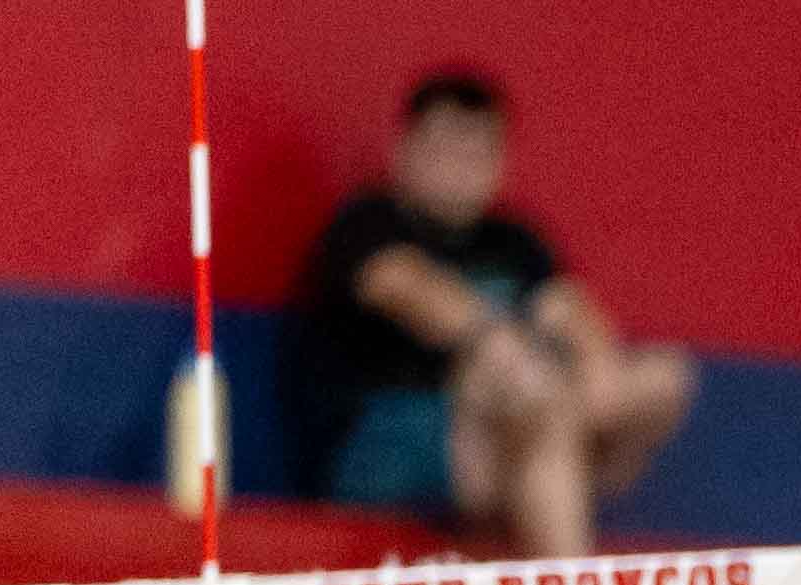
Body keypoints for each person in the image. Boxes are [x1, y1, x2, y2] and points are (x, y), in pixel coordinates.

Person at [278, 71, 693, 556]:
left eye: (475, 154)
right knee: (525, 388)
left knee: (662, 378)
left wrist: (596, 369)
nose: (459, 169)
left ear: (500, 162)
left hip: (515, 432)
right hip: (387, 446)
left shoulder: (515, 242)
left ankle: (556, 496)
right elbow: (406, 288)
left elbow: (568, 310)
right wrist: (497, 342)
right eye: (444, 150)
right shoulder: (368, 221)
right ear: (404, 151)